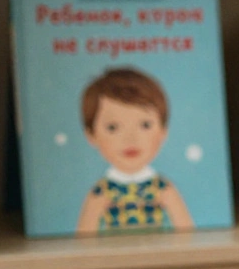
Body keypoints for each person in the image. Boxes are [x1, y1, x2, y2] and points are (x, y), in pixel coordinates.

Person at [76, 67, 194, 235]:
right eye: (113, 127)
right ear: (91, 135)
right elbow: (84, 238)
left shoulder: (162, 188)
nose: (130, 139)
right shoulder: (101, 192)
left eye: (145, 125)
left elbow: (187, 232)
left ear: (163, 131)